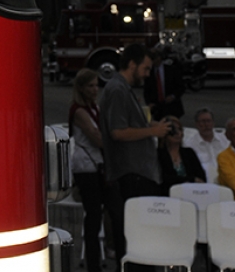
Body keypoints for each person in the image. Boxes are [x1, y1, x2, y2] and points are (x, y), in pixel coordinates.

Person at [99, 43, 172, 265]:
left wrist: (149, 126)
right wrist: (152, 131)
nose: (148, 74)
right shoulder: (117, 90)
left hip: (137, 174)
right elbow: (118, 132)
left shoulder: (121, 89)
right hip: (131, 175)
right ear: (132, 64)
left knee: (139, 238)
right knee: (135, 239)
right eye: (145, 68)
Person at [69, 68, 105, 272]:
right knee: (93, 215)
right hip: (86, 166)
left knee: (99, 213)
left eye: (96, 85)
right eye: (90, 86)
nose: (95, 89)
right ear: (81, 88)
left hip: (95, 164)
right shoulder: (80, 112)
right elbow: (97, 138)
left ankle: (99, 257)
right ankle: (93, 264)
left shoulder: (95, 108)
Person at [157, 116, 205, 192]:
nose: (177, 133)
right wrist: (190, 179)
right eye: (173, 130)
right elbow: (164, 178)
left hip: (192, 192)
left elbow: (201, 177)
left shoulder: (189, 152)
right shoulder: (159, 154)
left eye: (179, 129)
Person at [182, 107, 229, 183]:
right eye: (203, 121)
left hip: (228, 180)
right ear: (197, 124)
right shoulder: (189, 145)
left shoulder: (225, 140)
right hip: (204, 183)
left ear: (213, 123)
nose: (206, 124)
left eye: (208, 121)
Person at [143, 45, 185, 120]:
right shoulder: (149, 72)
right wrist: (149, 103)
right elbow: (146, 90)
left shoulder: (171, 70)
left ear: (159, 58)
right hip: (157, 108)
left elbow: (181, 86)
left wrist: (173, 96)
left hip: (172, 106)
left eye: (154, 58)